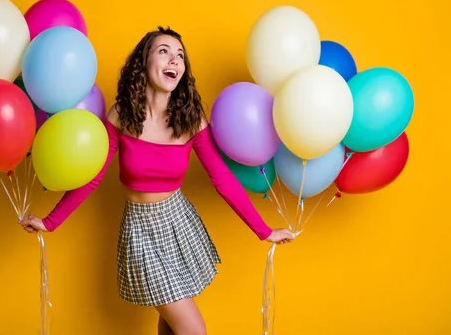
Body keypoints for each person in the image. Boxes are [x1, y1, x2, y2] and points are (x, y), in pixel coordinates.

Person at [19, 26, 295, 335]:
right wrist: (51, 221)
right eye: (164, 51)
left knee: (172, 327)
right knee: (193, 330)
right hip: (140, 231)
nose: (174, 60)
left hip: (178, 222)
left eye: (180, 56)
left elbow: (223, 180)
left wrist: (264, 230)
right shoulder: (122, 115)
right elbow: (92, 177)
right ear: (143, 61)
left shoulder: (191, 120)